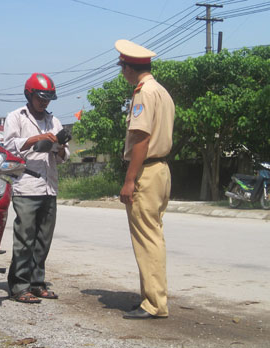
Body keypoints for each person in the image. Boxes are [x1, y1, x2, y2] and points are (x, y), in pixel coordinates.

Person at [115, 39, 175, 320]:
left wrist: (130, 180)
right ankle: (151, 298)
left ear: (129, 67)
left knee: (147, 237)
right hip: (161, 170)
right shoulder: (161, 91)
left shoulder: (143, 93)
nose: (121, 72)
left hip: (147, 171)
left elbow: (141, 138)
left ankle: (153, 304)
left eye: (121, 66)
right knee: (154, 234)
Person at [3, 73, 70, 304]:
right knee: (25, 238)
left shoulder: (54, 121)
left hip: (49, 187)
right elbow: (9, 148)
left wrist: (59, 146)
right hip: (27, 186)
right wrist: (35, 139)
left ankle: (37, 283)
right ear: (29, 95)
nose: (45, 102)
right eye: (41, 98)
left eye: (49, 98)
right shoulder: (15, 117)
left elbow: (63, 157)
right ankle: (19, 286)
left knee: (43, 239)